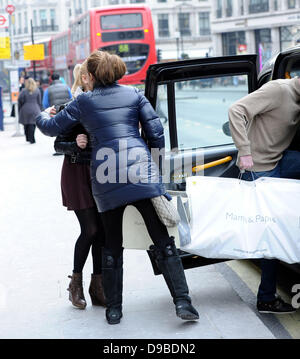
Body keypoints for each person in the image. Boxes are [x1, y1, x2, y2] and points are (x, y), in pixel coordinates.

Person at [36, 50, 199, 325]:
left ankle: (114, 309)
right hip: (140, 172)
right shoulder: (134, 95)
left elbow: (52, 128)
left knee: (112, 244)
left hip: (106, 174)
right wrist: (155, 174)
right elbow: (156, 132)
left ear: (93, 75)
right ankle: (183, 302)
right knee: (162, 241)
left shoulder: (85, 101)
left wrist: (41, 116)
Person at [228, 77, 300, 314]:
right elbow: (235, 110)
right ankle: (266, 298)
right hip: (258, 168)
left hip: (278, 160)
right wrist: (245, 151)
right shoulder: (278, 90)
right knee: (270, 233)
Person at [53, 62, 105, 309]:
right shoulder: (72, 106)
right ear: (85, 78)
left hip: (101, 172)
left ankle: (99, 287)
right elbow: (57, 144)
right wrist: (75, 142)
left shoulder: (105, 101)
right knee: (91, 230)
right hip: (77, 172)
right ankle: (76, 285)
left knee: (102, 232)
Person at [43, 73, 72, 155]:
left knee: (58, 129)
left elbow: (45, 103)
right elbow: (71, 97)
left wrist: (49, 110)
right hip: (66, 110)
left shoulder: (48, 89)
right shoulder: (66, 87)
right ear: (59, 78)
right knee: (66, 128)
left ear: (51, 79)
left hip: (55, 111)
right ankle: (67, 147)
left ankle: (60, 149)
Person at [18, 77, 42, 144]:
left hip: (25, 109)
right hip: (35, 109)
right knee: (33, 124)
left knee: (26, 124)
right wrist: (39, 108)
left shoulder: (23, 91)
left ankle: (28, 137)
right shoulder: (37, 90)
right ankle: (32, 138)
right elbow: (39, 101)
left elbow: (20, 100)